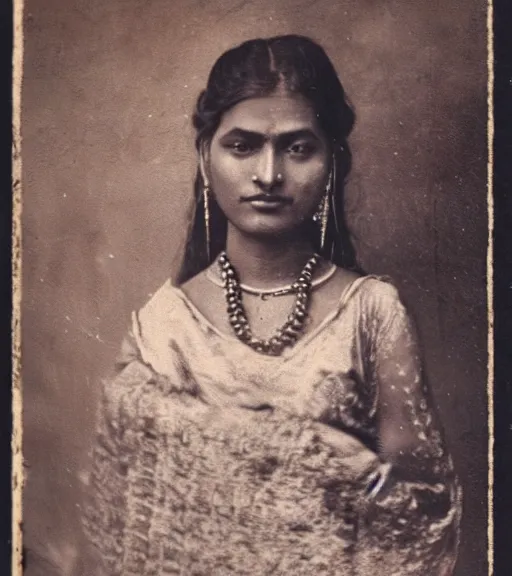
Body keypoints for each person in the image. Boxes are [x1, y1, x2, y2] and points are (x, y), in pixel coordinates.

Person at [82, 35, 462, 576]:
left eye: (297, 147)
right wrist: (313, 454)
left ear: (333, 160)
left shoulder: (372, 312)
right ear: (204, 156)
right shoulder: (161, 328)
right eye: (242, 145)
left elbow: (421, 504)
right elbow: (124, 524)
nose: (268, 174)